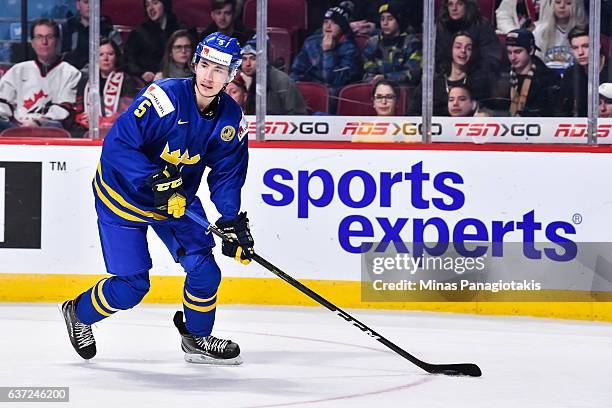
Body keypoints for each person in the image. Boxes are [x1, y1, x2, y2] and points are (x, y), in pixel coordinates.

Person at [60, 32, 253, 365]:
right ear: (195, 63)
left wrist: (230, 219)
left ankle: (196, 337)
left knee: (205, 270)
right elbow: (118, 145)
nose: (208, 76)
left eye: (219, 70)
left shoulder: (231, 120)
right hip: (122, 195)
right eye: (205, 65)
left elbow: (227, 174)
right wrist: (152, 179)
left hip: (177, 199)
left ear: (232, 74)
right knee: (132, 287)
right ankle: (79, 312)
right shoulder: (163, 98)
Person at [0, 19, 81, 132]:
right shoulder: (17, 70)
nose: (44, 42)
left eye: (49, 37)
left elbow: (64, 109)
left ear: (57, 41)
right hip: (16, 127)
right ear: (33, 43)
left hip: (49, 128)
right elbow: (3, 104)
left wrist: (38, 122)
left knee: (54, 125)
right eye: (39, 37)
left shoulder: (70, 73)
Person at [291, 6, 362, 111]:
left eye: (334, 23)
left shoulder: (350, 50)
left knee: (330, 92)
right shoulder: (311, 42)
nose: (328, 26)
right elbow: (296, 71)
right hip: (309, 92)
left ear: (343, 27)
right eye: (325, 22)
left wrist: (327, 52)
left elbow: (333, 80)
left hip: (333, 96)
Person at [408, 31, 493, 115]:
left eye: (469, 48)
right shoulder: (432, 83)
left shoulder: (479, 83)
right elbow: (412, 113)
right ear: (450, 50)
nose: (463, 51)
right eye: (458, 47)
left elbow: (486, 111)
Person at [71, 38, 140, 137]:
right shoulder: (85, 82)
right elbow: (78, 111)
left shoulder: (128, 81)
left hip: (118, 130)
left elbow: (128, 113)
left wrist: (101, 121)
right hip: (87, 129)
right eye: (101, 54)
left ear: (116, 57)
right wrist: (82, 118)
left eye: (110, 54)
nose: (105, 58)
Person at [124, 0, 192, 84]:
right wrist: (141, 73)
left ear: (165, 4)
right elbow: (128, 60)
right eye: (147, 5)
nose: (151, 8)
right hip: (149, 83)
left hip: (179, 78)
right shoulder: (139, 33)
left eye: (155, 3)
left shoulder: (181, 28)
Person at [240, 36, 306, 115]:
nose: (247, 64)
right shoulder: (238, 81)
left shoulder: (282, 81)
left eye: (253, 58)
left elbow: (297, 116)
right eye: (244, 59)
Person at [362, 1, 422, 86]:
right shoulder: (372, 43)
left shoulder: (413, 43)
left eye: (390, 19)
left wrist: (386, 78)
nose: (385, 23)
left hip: (403, 90)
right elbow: (367, 72)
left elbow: (412, 74)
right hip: (376, 88)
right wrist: (375, 80)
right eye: (382, 19)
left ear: (399, 20)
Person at [505, 28, 560, 116]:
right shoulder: (503, 76)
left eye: (517, 52)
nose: (512, 57)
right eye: (509, 52)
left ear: (530, 50)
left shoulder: (549, 78)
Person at [436, 0, 502, 74]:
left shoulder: (482, 25)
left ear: (468, 5)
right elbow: (437, 57)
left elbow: (492, 58)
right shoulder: (440, 27)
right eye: (450, 4)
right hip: (447, 75)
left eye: (459, 4)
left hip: (477, 76)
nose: (454, 8)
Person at [559, 25, 610, 116]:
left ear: (598, 46)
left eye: (586, 46)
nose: (580, 53)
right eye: (575, 48)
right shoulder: (570, 74)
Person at [61, 0, 121, 70]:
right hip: (70, 75)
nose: (89, 6)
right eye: (86, 2)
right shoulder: (66, 28)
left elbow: (119, 60)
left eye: (93, 3)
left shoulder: (109, 30)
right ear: (78, 5)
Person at [533, 0, 586, 71]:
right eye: (558, 2)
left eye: (568, 3)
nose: (562, 6)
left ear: (577, 6)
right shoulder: (540, 31)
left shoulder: (584, 32)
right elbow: (536, 60)